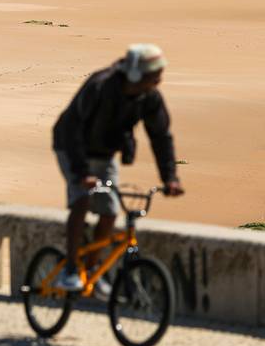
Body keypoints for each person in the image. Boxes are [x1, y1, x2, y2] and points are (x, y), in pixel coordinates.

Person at [51, 43, 185, 292]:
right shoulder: (99, 86)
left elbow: (160, 136)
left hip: (105, 154)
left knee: (110, 211)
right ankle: (69, 270)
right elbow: (72, 128)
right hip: (71, 148)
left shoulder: (150, 96)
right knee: (81, 200)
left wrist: (170, 178)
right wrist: (82, 173)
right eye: (154, 75)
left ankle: (92, 270)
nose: (158, 80)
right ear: (135, 74)